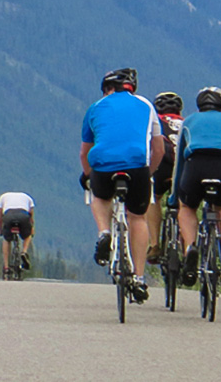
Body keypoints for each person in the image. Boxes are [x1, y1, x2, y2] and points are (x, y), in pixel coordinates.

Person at [80, 67, 164, 303]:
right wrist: (148, 173)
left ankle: (104, 232)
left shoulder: (95, 108)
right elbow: (158, 149)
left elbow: (84, 152)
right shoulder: (146, 106)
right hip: (137, 167)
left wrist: (87, 175)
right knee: (138, 218)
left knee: (99, 196)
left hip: (104, 167)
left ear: (107, 89)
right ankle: (138, 277)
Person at [168, 85, 221, 287]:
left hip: (196, 167)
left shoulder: (189, 121)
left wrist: (174, 196)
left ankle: (190, 249)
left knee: (187, 208)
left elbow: (179, 164)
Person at [146, 91, 184, 265]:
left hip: (163, 165)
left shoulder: (155, 123)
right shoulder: (187, 123)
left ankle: (154, 244)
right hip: (184, 168)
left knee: (153, 198)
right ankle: (187, 246)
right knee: (186, 205)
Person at [0, 190, 35, 277]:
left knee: (6, 239)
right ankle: (24, 252)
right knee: (28, 235)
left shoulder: (3, 197)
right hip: (23, 216)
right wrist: (32, 228)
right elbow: (31, 218)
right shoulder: (28, 198)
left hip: (9, 216)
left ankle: (6, 267)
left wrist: (1, 230)